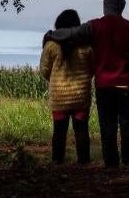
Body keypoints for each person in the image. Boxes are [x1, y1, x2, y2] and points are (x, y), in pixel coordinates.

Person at [44, 0, 129, 169]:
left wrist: (51, 34)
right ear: (122, 7)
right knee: (128, 125)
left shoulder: (95, 26)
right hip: (127, 85)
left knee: (108, 126)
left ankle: (111, 163)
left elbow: (71, 34)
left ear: (105, 7)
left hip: (105, 86)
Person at [39, 9, 93, 164]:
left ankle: (57, 162)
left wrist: (56, 79)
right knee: (81, 130)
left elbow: (44, 70)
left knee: (59, 132)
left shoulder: (51, 45)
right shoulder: (85, 44)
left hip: (59, 97)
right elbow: (92, 68)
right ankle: (84, 162)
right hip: (81, 96)